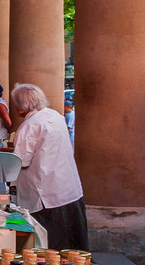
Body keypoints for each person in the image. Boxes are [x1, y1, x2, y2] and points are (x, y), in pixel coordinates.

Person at [10, 83, 87, 250]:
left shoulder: (29, 125)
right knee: (73, 243)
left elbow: (21, 162)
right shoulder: (55, 116)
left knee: (53, 245)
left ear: (22, 107)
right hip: (67, 186)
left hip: (45, 193)